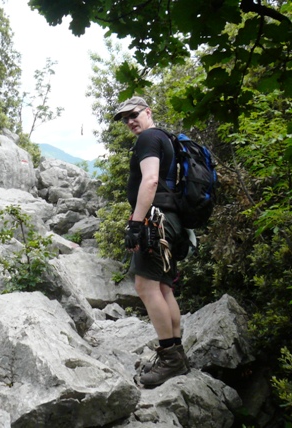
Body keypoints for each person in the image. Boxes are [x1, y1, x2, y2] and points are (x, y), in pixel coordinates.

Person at [113, 96, 191, 388]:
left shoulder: (148, 137)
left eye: (133, 114)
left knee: (145, 286)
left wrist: (136, 223)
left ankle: (170, 359)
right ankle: (177, 354)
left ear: (148, 112)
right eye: (125, 118)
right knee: (163, 286)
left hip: (156, 221)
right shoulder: (166, 138)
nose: (130, 121)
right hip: (171, 221)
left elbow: (150, 181)